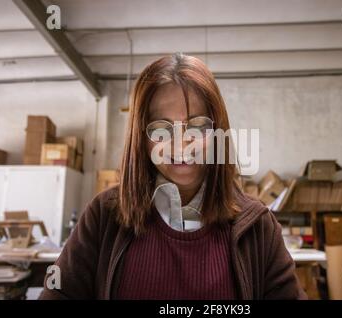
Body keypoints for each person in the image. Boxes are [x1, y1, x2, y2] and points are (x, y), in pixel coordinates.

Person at [39, 53, 306, 300]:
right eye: (160, 128)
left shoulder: (258, 226)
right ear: (141, 139)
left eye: (198, 125)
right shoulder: (104, 215)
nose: (180, 144)